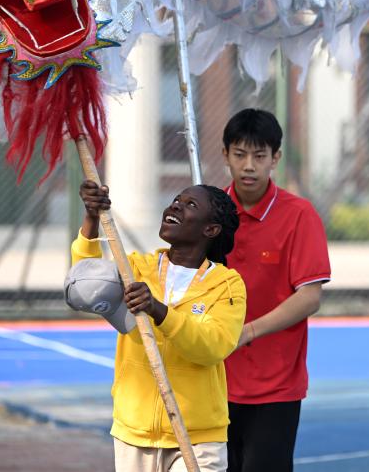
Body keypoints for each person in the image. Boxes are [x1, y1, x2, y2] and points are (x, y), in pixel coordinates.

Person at [73, 180, 246, 472]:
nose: (176, 204)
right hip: (134, 433)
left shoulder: (227, 285)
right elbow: (84, 284)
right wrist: (92, 217)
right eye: (177, 199)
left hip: (197, 438)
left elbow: (212, 346)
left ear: (211, 230)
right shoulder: (136, 268)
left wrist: (158, 310)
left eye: (191, 204)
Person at [220, 108, 331, 472]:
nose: (249, 166)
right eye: (240, 154)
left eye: (259, 156)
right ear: (225, 156)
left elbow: (309, 296)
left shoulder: (299, 215)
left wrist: (249, 331)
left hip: (275, 384)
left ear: (275, 159)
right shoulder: (208, 214)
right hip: (212, 378)